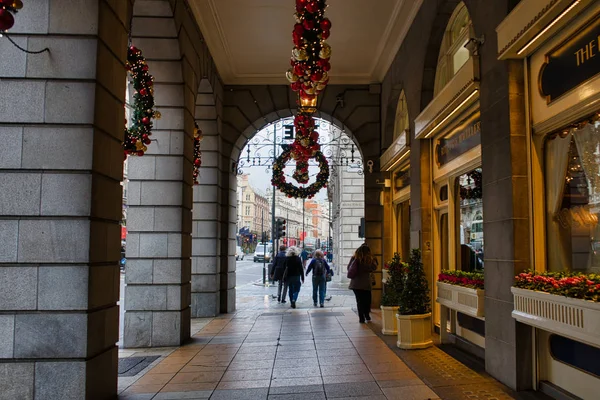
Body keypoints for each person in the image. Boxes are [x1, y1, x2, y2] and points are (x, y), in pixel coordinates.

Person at [348, 244, 377, 323]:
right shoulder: (369, 259)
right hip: (366, 283)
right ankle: (366, 314)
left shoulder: (354, 258)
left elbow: (349, 268)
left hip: (355, 284)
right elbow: (374, 268)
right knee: (367, 300)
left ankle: (361, 318)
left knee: (359, 301)